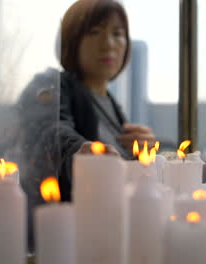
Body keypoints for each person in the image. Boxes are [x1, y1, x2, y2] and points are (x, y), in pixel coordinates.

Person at [58, 0, 155, 201]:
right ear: (72, 39)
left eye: (118, 34)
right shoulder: (57, 87)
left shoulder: (112, 105)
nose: (108, 43)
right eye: (94, 31)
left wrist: (143, 152)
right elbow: (52, 132)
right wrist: (83, 153)